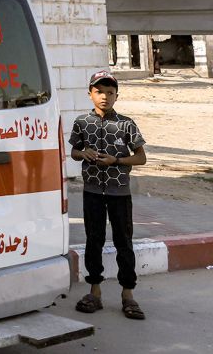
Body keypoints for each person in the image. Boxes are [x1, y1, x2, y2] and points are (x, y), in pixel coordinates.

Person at [68, 70, 147, 321]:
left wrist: (117, 160)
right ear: (90, 94)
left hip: (119, 192)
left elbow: (141, 157)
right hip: (92, 191)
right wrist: (85, 153)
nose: (105, 97)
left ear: (116, 96)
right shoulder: (82, 123)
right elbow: (74, 151)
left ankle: (128, 294)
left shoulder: (126, 124)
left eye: (110, 93)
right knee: (94, 240)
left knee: (124, 241)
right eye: (99, 92)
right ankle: (95, 292)